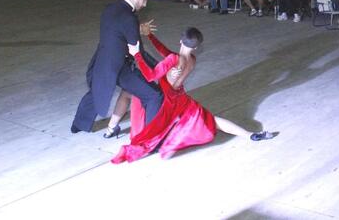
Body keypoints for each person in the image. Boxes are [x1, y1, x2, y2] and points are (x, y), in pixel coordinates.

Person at [111, 28, 277, 163]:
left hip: (168, 100)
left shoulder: (173, 59)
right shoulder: (192, 59)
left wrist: (136, 54)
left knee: (136, 100)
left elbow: (150, 75)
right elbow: (167, 53)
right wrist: (150, 36)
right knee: (213, 120)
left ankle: (154, 140)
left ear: (180, 40)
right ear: (196, 47)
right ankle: (250, 135)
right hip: (181, 98)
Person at [71, 0, 163, 134]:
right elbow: (137, 51)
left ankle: (79, 125)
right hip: (120, 65)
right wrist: (159, 67)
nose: (145, 4)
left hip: (102, 60)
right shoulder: (129, 17)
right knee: (154, 95)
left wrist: (137, 28)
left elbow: (117, 29)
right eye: (144, 0)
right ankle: (151, 138)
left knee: (98, 90)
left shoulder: (111, 8)